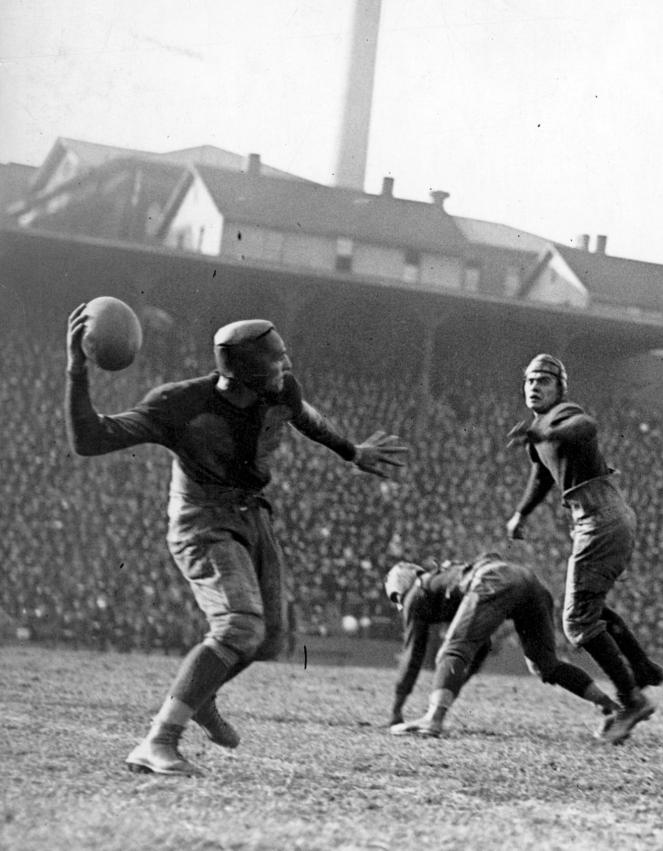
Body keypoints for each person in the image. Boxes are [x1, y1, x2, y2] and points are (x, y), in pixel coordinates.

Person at [65, 310, 408, 776]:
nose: (286, 367)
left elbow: (305, 417)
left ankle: (199, 693)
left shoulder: (281, 390)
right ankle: (158, 740)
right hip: (202, 518)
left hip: (251, 515)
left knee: (271, 641)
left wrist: (353, 451)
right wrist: (77, 368)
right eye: (275, 361)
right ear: (245, 372)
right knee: (240, 627)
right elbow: (90, 439)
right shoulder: (181, 403)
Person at [503, 354, 663, 745]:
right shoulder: (540, 432)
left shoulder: (562, 415)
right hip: (598, 517)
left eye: (544, 380)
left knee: (576, 622)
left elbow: (585, 426)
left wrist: (547, 435)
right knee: (590, 610)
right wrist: (521, 514)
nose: (535, 386)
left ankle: (631, 701)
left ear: (560, 388)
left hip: (601, 515)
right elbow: (543, 475)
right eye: (529, 380)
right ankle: (639, 669)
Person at [383, 553, 620, 738]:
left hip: (493, 579)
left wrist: (396, 711)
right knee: (544, 664)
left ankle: (433, 719)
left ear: (399, 588)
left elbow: (413, 654)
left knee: (451, 649)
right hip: (528, 582)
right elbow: (482, 647)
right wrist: (451, 687)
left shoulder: (415, 593)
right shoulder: (441, 581)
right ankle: (609, 705)